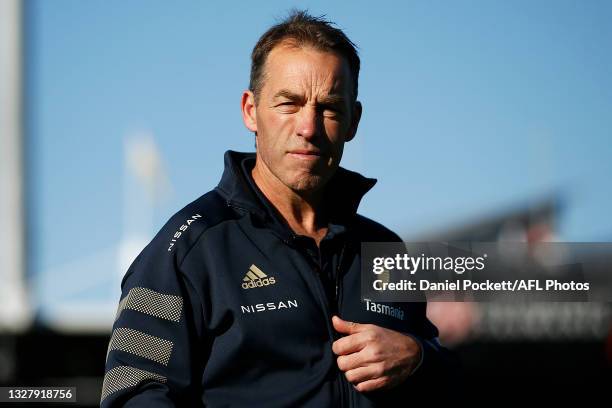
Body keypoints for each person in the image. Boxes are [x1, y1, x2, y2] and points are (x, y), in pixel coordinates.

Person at [101, 10, 456, 407]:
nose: (309, 127)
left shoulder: (384, 248)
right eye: (290, 104)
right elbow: (132, 393)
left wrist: (419, 359)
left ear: (353, 121)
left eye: (330, 108)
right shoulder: (186, 250)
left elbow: (447, 382)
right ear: (251, 111)